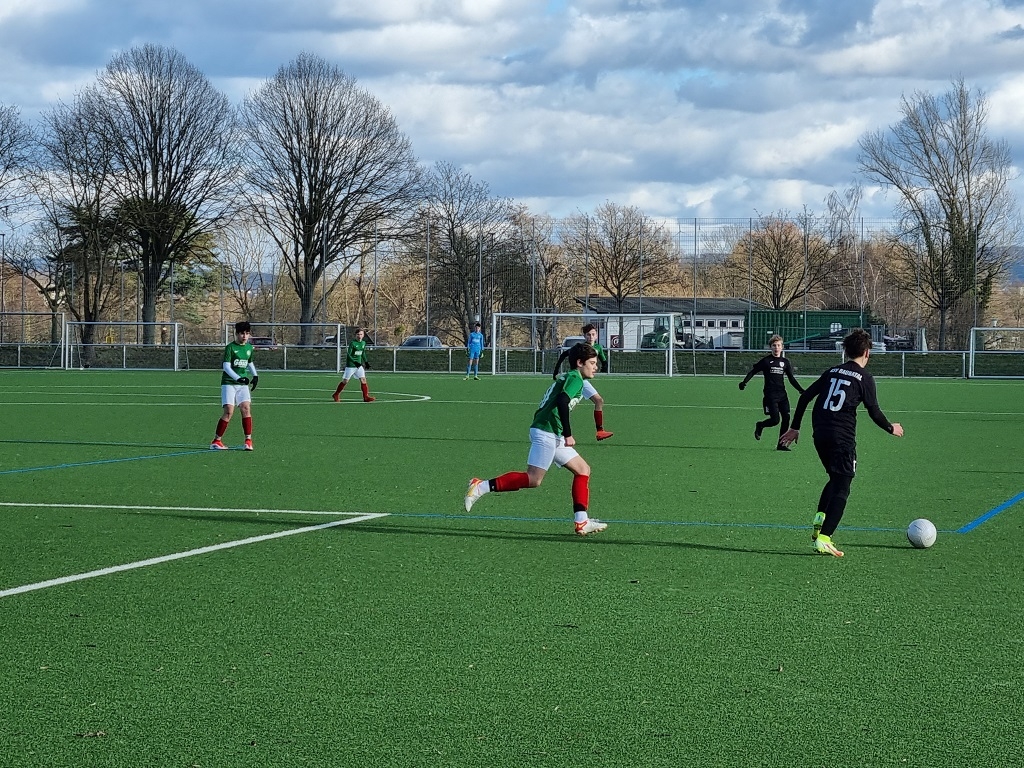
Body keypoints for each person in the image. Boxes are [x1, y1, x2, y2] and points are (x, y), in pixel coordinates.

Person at [779, 328, 904, 557]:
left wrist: (795, 427)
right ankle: (825, 538)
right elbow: (874, 411)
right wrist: (890, 427)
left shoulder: (832, 371)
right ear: (867, 352)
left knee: (835, 479)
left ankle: (820, 520)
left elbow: (805, 397)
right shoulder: (865, 377)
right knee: (843, 486)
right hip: (841, 437)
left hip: (820, 433)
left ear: (846, 351)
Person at [465, 342, 607, 536]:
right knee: (534, 479)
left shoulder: (571, 376)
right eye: (592, 363)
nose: (596, 367)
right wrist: (568, 434)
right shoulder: (575, 378)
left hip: (551, 431)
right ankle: (480, 486)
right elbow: (562, 401)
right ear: (580, 363)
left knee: (583, 470)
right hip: (547, 431)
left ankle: (581, 521)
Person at [739, 334, 804, 450]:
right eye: (774, 345)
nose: (776, 348)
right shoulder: (766, 361)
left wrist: (801, 390)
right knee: (775, 420)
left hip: (782, 395)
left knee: (786, 418)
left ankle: (781, 445)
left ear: (782, 347)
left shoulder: (785, 362)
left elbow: (791, 379)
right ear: (770, 347)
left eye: (778, 345)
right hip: (770, 395)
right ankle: (760, 425)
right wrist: (744, 382)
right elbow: (753, 371)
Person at [552, 323, 613, 441]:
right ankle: (563, 431)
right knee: (566, 402)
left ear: (596, 335)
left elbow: (603, 359)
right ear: (584, 336)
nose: (591, 337)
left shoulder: (598, 347)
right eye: (588, 335)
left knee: (597, 401)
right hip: (579, 379)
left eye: (593, 334)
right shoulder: (581, 348)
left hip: (583, 379)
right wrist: (556, 370)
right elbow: (564, 354)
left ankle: (600, 431)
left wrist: (604, 367)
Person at [211, 320, 258, 451]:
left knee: (246, 408)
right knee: (229, 411)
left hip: (242, 384)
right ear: (236, 334)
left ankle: (248, 440)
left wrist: (255, 375)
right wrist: (238, 378)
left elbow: (249, 362)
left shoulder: (249, 348)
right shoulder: (230, 347)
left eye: (247, 333)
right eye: (242, 333)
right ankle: (216, 441)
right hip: (229, 383)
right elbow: (226, 367)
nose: (245, 336)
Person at [332, 328, 375, 402]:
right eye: (358, 334)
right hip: (351, 366)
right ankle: (336, 394)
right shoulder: (353, 343)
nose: (359, 336)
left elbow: (363, 353)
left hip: (359, 366)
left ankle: (366, 397)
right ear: (355, 335)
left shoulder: (363, 343)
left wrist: (366, 362)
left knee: (363, 380)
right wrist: (355, 362)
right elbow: (349, 355)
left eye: (361, 334)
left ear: (363, 335)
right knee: (345, 381)